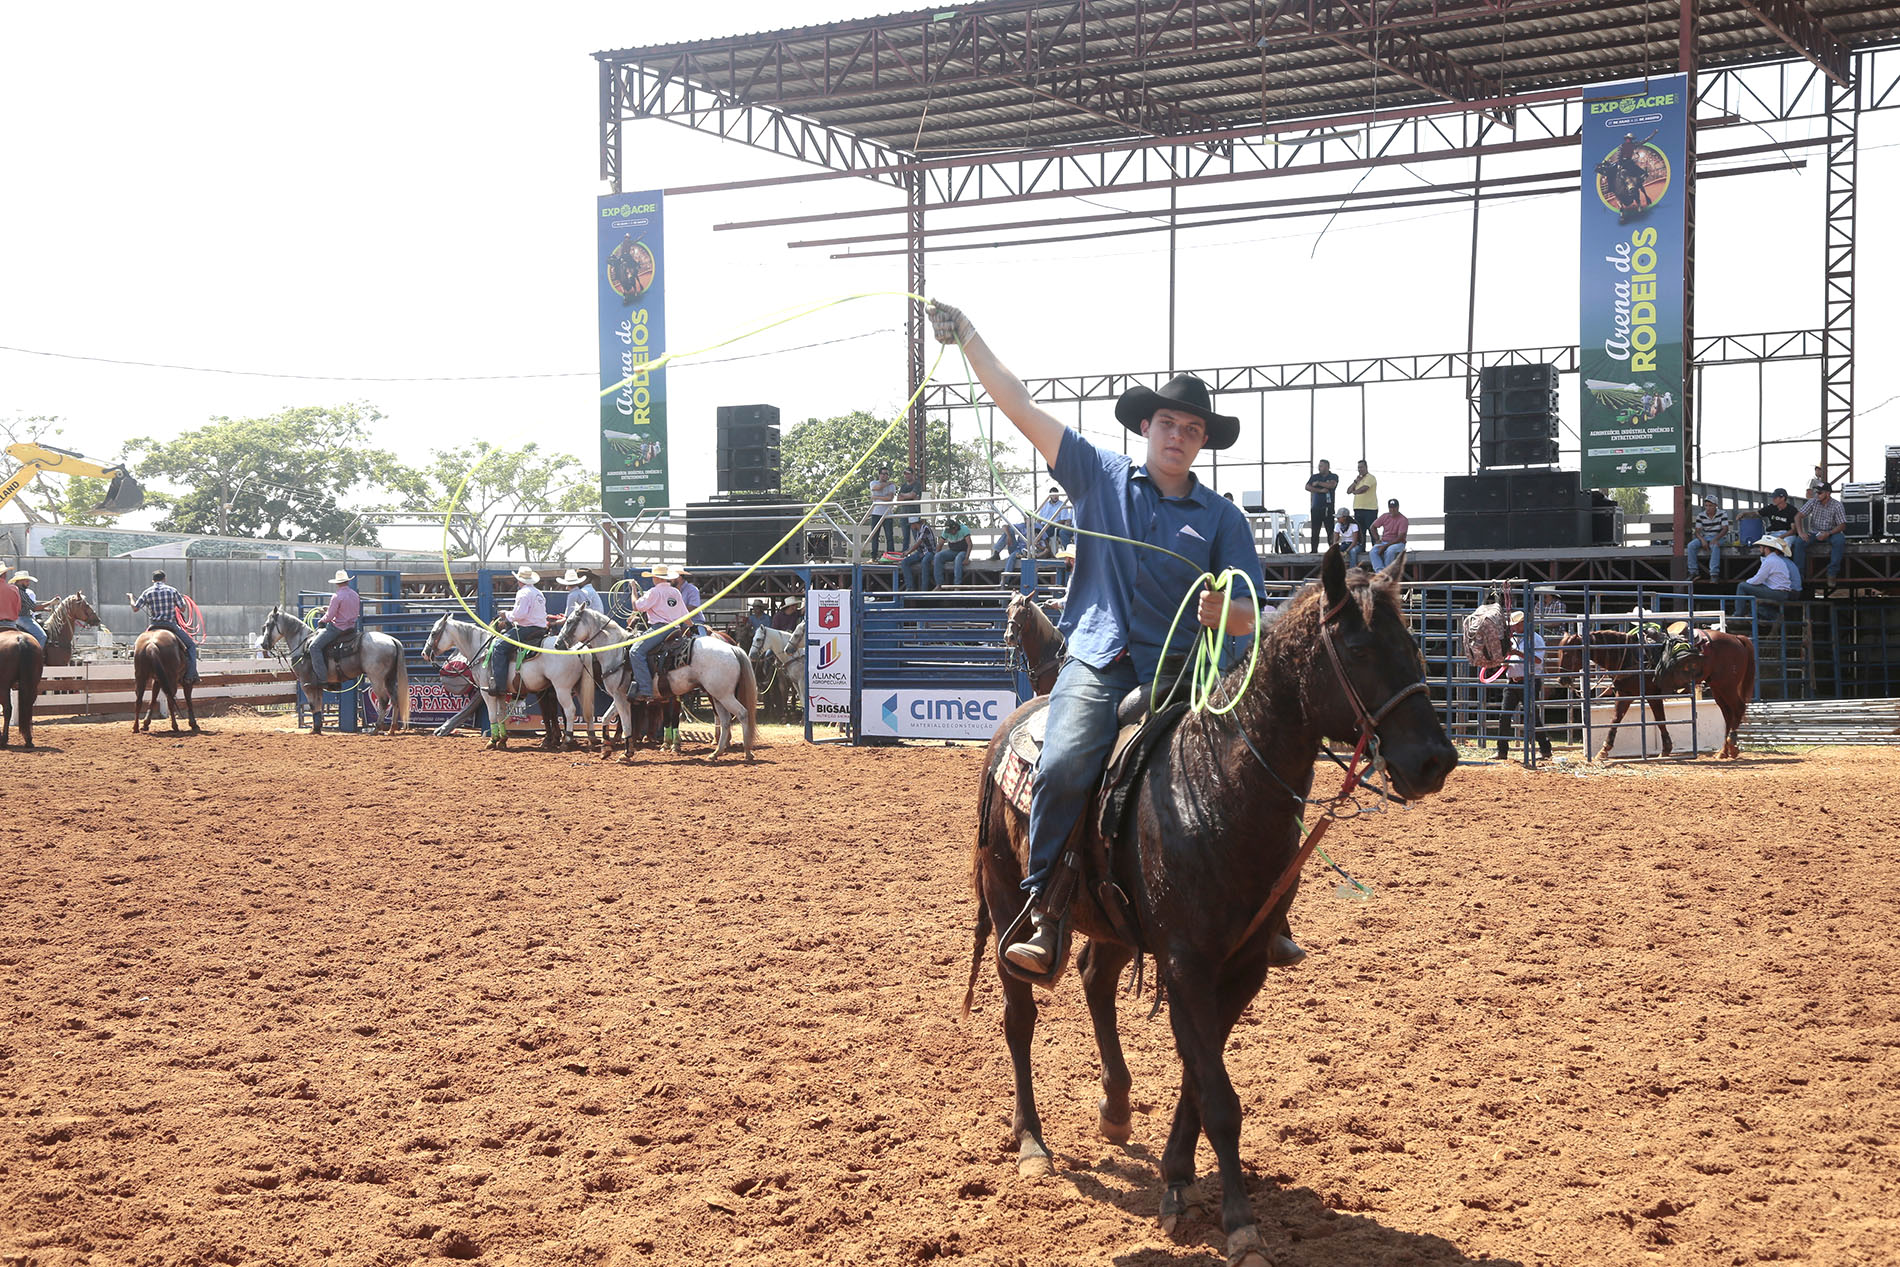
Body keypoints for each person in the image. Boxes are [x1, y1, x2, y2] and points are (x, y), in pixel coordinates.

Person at [926, 299, 1273, 976]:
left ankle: (1265, 909)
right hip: (1100, 658)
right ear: (1147, 425)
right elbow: (1022, 406)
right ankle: (1047, 910)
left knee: (1252, 769)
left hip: (1183, 671)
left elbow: (1252, 614)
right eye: (1169, 422)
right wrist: (969, 338)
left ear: (1203, 442)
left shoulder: (1223, 519)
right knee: (1063, 762)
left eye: (1193, 428)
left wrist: (1221, 614)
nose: (1178, 435)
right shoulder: (1098, 474)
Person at [1496, 610, 1551, 761]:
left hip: (1529, 681)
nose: (1513, 628)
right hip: (1512, 681)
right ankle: (1502, 751)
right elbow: (1509, 657)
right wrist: (1505, 663)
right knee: (1504, 715)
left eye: (1515, 625)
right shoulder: (1513, 640)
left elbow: (1538, 660)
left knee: (1532, 716)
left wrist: (1518, 654)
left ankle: (1545, 748)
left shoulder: (1535, 639)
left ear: (1522, 624)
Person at [129, 570, 200, 684]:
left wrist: (131, 598)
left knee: (139, 646)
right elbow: (182, 608)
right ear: (164, 579)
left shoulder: (147, 592)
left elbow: (135, 608)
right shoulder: (172, 590)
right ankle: (190, 676)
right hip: (170, 625)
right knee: (191, 646)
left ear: (153, 580)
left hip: (154, 626)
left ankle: (139, 673)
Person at [628, 564, 686, 699]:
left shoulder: (654, 592)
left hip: (660, 629)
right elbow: (685, 614)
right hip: (675, 629)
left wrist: (634, 590)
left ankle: (645, 690)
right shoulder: (675, 592)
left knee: (635, 651)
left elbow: (636, 607)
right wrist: (693, 626)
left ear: (655, 578)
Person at [489, 564, 550, 688]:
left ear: (519, 580)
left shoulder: (523, 593)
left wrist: (505, 614)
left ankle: (499, 685)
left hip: (526, 629)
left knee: (499, 646)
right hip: (541, 628)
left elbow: (519, 615)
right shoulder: (538, 593)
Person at [308, 569, 360, 685]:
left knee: (314, 647)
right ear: (347, 582)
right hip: (351, 628)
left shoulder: (336, 596)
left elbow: (330, 616)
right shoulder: (355, 595)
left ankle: (322, 679)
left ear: (337, 583)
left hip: (338, 629)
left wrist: (322, 620)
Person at [1794, 482, 1847, 584]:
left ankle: (1832, 573)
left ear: (1828, 493)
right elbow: (1798, 516)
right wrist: (1801, 532)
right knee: (1799, 542)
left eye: (1819, 493)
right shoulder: (1813, 501)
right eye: (1816, 492)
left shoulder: (1837, 505)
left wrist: (1828, 533)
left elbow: (1842, 525)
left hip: (1831, 533)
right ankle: (1799, 575)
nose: (1817, 495)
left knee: (1839, 540)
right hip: (1814, 532)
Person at [1736, 535, 1799, 609]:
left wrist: (1747, 582)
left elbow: (1758, 579)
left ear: (1766, 548)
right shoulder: (1776, 559)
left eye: (1761, 547)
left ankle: (1738, 614)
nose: (1760, 549)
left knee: (1742, 586)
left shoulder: (1769, 560)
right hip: (1782, 592)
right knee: (1754, 589)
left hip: (1778, 592)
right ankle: (1761, 613)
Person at [1685, 494, 1730, 582]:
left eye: (1710, 505)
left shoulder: (1722, 513)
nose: (1708, 508)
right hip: (1705, 537)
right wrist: (1702, 540)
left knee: (1715, 546)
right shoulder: (1700, 515)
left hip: (1719, 536)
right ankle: (1693, 572)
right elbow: (1697, 531)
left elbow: (1725, 529)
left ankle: (1714, 573)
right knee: (1691, 545)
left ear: (1716, 506)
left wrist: (1716, 539)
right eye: (1706, 505)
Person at [895, 516, 941, 591]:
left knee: (925, 562)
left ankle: (924, 589)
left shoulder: (925, 528)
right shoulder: (918, 531)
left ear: (915, 524)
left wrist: (908, 552)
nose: (911, 527)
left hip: (930, 552)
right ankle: (910, 587)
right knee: (904, 562)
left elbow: (918, 543)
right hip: (921, 553)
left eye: (911, 525)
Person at [1304, 459, 1339, 551]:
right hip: (1316, 508)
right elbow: (1307, 487)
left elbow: (1331, 485)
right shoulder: (1315, 476)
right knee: (1315, 531)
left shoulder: (1333, 476)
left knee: (1330, 531)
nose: (1319, 468)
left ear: (1327, 467)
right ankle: (1314, 550)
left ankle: (1332, 550)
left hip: (1328, 508)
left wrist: (1318, 483)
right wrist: (1320, 490)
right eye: (1319, 466)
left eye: (1321, 466)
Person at [866, 464, 899, 558]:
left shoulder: (891, 486)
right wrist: (887, 484)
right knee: (875, 536)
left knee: (889, 536)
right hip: (876, 513)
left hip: (887, 514)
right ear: (879, 475)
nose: (885, 476)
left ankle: (890, 556)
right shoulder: (873, 482)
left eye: (887, 474)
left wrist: (876, 497)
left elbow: (890, 498)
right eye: (883, 474)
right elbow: (876, 488)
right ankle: (874, 556)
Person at [9, 572, 47, 649]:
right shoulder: (21, 592)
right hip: (23, 618)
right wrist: (51, 602)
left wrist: (45, 608)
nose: (28, 583)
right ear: (20, 581)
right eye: (27, 581)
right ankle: (38, 655)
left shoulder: (12, 589)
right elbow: (34, 607)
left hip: (12, 619)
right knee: (42, 636)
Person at [1346, 460, 1378, 548]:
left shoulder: (1370, 477)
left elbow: (1364, 489)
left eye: (1361, 467)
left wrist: (1355, 491)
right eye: (1358, 467)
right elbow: (1348, 491)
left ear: (1366, 467)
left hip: (1370, 509)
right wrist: (1355, 482)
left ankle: (1375, 548)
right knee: (1360, 531)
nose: (1360, 469)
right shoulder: (1358, 480)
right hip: (1358, 508)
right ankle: (1361, 549)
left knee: (1372, 530)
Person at [1368, 498, 1408, 569]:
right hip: (1384, 542)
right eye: (1390, 507)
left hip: (1398, 543)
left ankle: (1388, 570)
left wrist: (1385, 546)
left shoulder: (1403, 519)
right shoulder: (1385, 516)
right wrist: (1377, 539)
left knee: (1390, 551)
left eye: (1394, 507)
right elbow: (1372, 527)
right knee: (1373, 551)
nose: (1392, 510)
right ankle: (1380, 572)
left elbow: (1400, 537)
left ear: (1398, 507)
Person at [669, 566, 709, 636]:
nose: (669, 580)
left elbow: (693, 608)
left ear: (679, 577)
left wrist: (674, 611)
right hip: (676, 622)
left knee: (700, 639)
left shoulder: (692, 589)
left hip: (694, 621)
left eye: (671, 577)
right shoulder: (671, 591)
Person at [935, 516, 973, 587]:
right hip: (952, 551)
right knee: (938, 556)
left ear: (955, 527)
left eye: (951, 531)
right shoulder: (946, 531)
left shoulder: (964, 529)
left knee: (958, 559)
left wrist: (966, 558)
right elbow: (940, 544)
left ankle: (957, 585)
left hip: (963, 551)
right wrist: (935, 556)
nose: (950, 533)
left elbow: (970, 545)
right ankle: (939, 585)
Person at [1029, 487, 1067, 556]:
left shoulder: (1062, 505)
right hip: (1044, 526)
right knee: (1031, 530)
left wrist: (1050, 524)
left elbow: (1063, 520)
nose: (1055, 496)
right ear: (1050, 496)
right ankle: (1036, 550)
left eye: (1057, 495)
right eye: (1053, 495)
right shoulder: (1045, 505)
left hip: (1054, 526)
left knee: (1043, 532)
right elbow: (1039, 519)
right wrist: (1036, 525)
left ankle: (1037, 549)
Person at [895, 466, 923, 551]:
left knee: (916, 535)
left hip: (914, 513)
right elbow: (898, 499)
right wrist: (909, 496)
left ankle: (920, 552)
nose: (906, 476)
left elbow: (913, 495)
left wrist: (904, 496)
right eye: (905, 474)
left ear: (912, 474)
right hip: (904, 513)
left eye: (908, 474)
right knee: (905, 537)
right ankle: (905, 553)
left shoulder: (917, 484)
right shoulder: (903, 486)